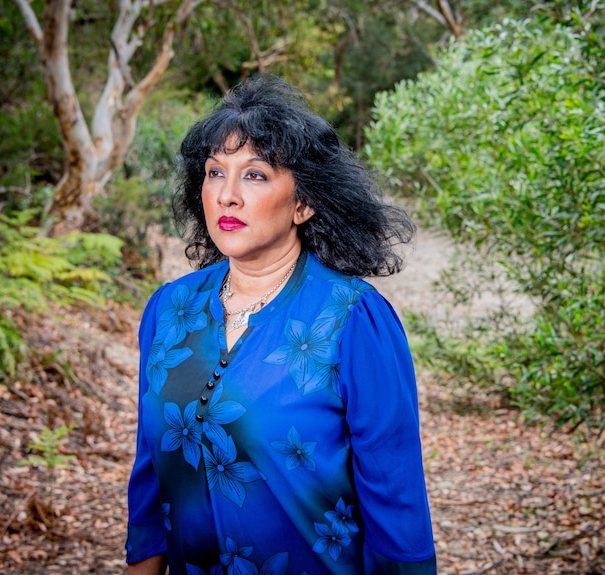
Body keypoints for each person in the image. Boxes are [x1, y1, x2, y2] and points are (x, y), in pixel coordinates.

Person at [125, 74, 436, 575]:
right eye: (213, 172)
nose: (226, 195)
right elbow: (148, 484)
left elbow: (396, 503)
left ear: (303, 203)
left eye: (255, 175)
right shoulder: (168, 311)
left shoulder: (352, 320)